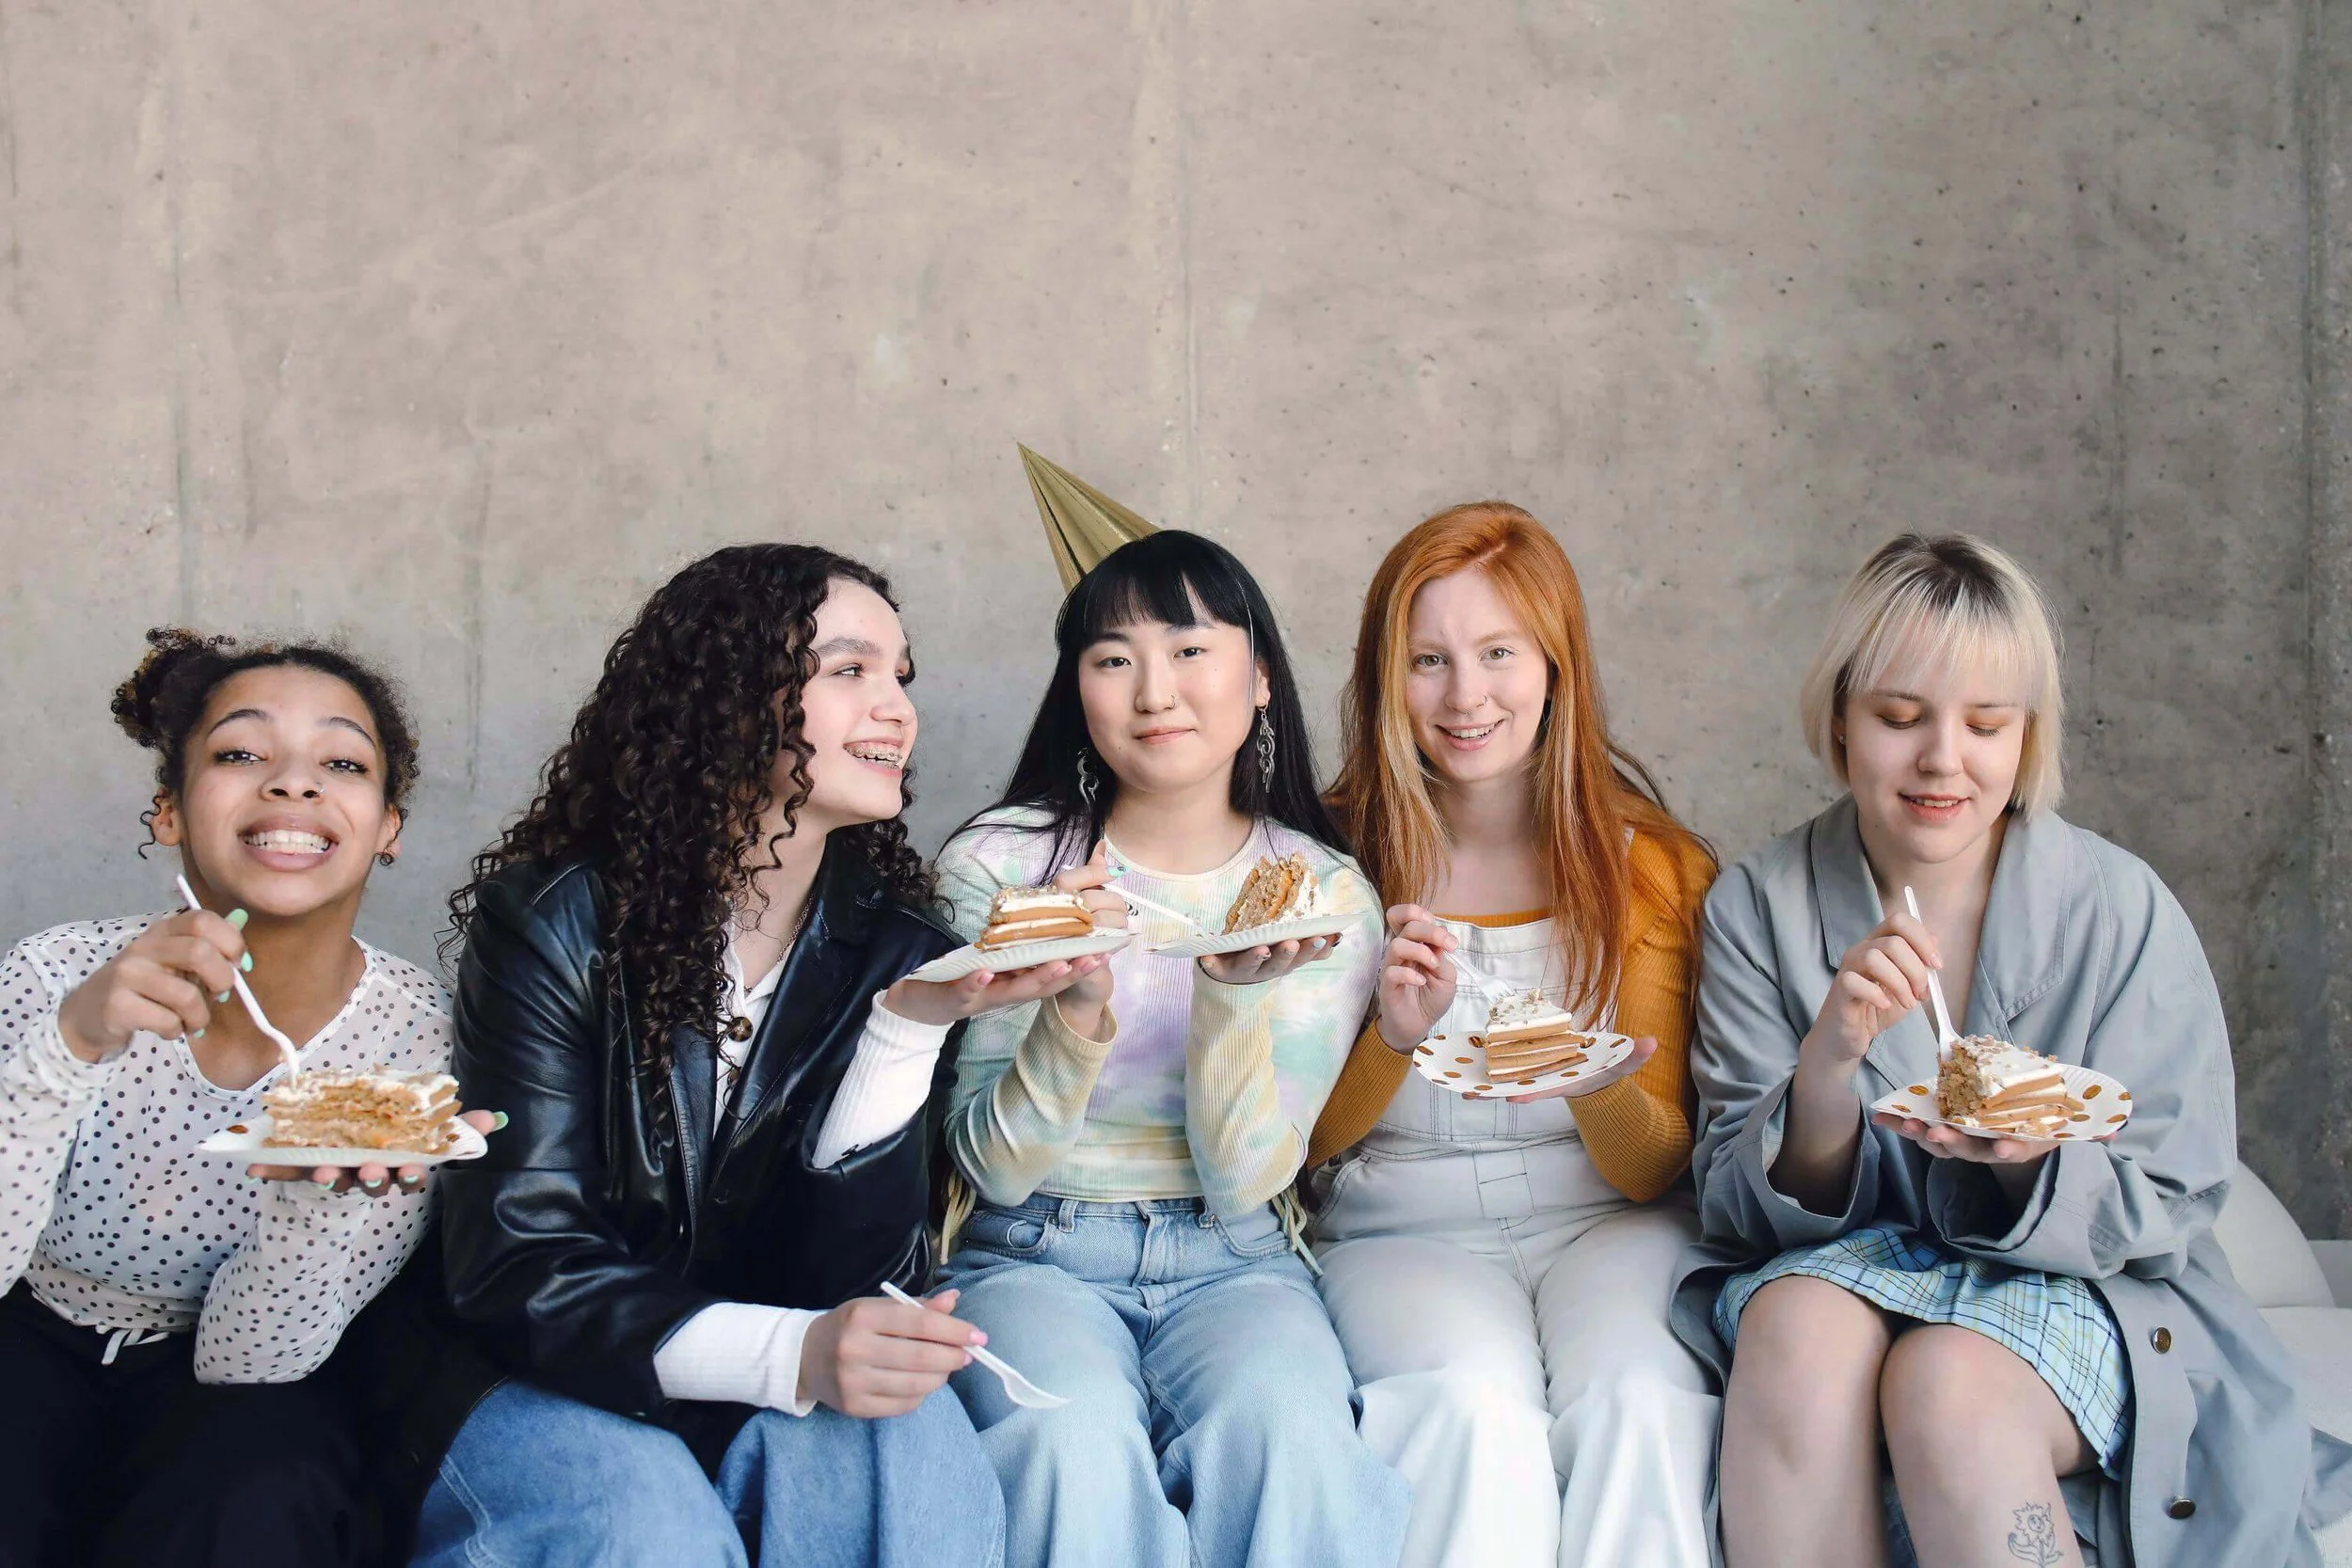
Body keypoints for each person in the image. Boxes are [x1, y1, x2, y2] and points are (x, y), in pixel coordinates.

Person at [1677, 533, 2352, 1568]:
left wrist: (2030, 1162)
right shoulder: (1756, 907)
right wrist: (1826, 1066)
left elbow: (2171, 1187)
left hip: (2084, 1284)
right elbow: (1733, 1204)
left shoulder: (2117, 907)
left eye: (1985, 723)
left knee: (1948, 1380)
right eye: (1899, 718)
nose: (1943, 759)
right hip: (1845, 1264)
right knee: (1794, 1326)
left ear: (2026, 733)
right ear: (1840, 721)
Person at [403, 545, 1010, 1567]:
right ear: (731, 694)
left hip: (771, 1365)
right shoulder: (556, 922)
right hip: (524, 1369)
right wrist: (792, 1351)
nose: (896, 708)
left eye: (900, 676)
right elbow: (523, 1261)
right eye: (848, 669)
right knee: (646, 1529)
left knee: (918, 1465)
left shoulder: (905, 949)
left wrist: (903, 1030)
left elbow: (852, 1284)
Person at [931, 530, 1411, 1568]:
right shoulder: (1001, 864)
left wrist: (1230, 997)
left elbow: (1248, 1178)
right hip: (1030, 1251)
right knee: (1067, 1441)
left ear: (1261, 677)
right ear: (1077, 688)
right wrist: (1073, 1005)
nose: (1155, 690)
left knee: (1293, 1440)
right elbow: (992, 1163)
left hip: (1235, 1261)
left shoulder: (1321, 893)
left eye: (1191, 648)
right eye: (1113, 658)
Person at [0, 627, 475, 1568]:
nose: (292, 783)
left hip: (245, 1382)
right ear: (170, 811)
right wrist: (72, 1041)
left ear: (387, 826)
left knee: (253, 1488)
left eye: (340, 760)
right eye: (240, 753)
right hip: (27, 1334)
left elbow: (249, 1358)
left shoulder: (415, 1040)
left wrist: (324, 1199)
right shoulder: (54, 969)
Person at [1305, 502, 1721, 1568]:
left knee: (1642, 1397)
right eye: (1426, 659)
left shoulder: (1651, 866)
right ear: (1381, 675)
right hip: (1405, 1225)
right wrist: (1391, 1038)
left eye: (1498, 653)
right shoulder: (1326, 855)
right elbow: (1302, 1144)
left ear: (1556, 663)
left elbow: (1655, 1166)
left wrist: (1593, 1080)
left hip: (1608, 1225)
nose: (1464, 696)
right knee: (1466, 1407)